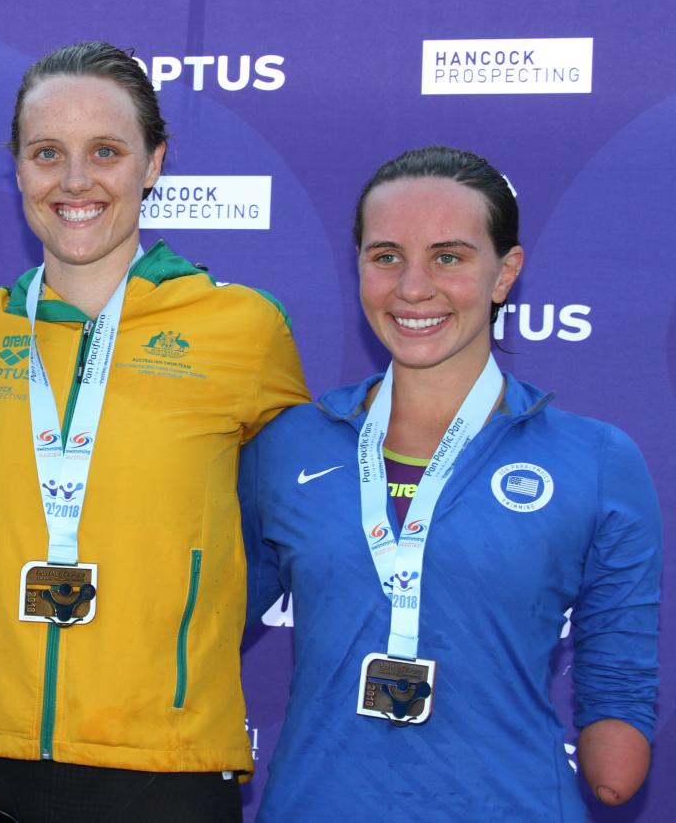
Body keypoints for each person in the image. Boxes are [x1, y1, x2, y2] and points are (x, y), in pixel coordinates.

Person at [0, 41, 309, 822]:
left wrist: (184, 622)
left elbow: (291, 521)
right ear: (17, 168)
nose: (74, 181)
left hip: (166, 760)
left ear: (153, 162)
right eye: (46, 153)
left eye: (106, 152)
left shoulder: (242, 328)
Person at [241, 145, 661, 820]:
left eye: (449, 257)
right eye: (385, 257)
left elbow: (619, 686)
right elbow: (203, 628)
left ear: (506, 273)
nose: (413, 287)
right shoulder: (287, 444)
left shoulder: (598, 460)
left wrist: (616, 720)